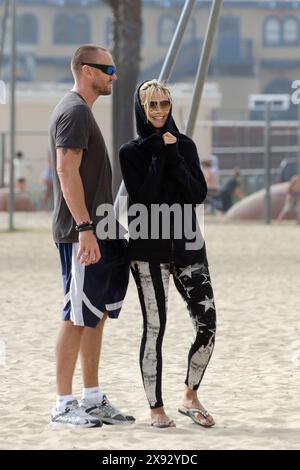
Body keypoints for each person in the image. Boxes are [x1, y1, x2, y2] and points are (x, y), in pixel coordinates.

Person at [119, 79, 216, 428]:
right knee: (155, 327)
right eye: (152, 105)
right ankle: (156, 407)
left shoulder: (186, 146)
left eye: (164, 104)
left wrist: (174, 154)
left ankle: (190, 395)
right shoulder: (130, 152)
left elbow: (196, 194)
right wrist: (159, 153)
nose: (159, 111)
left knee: (208, 325)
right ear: (142, 110)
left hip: (190, 248)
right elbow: (144, 197)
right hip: (148, 251)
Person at [48, 44, 134, 428]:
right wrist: (85, 229)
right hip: (80, 232)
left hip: (97, 230)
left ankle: (92, 398)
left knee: (94, 315)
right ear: (87, 70)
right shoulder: (75, 112)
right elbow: (66, 171)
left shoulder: (82, 112)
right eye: (107, 69)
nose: (114, 75)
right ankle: (64, 404)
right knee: (75, 315)